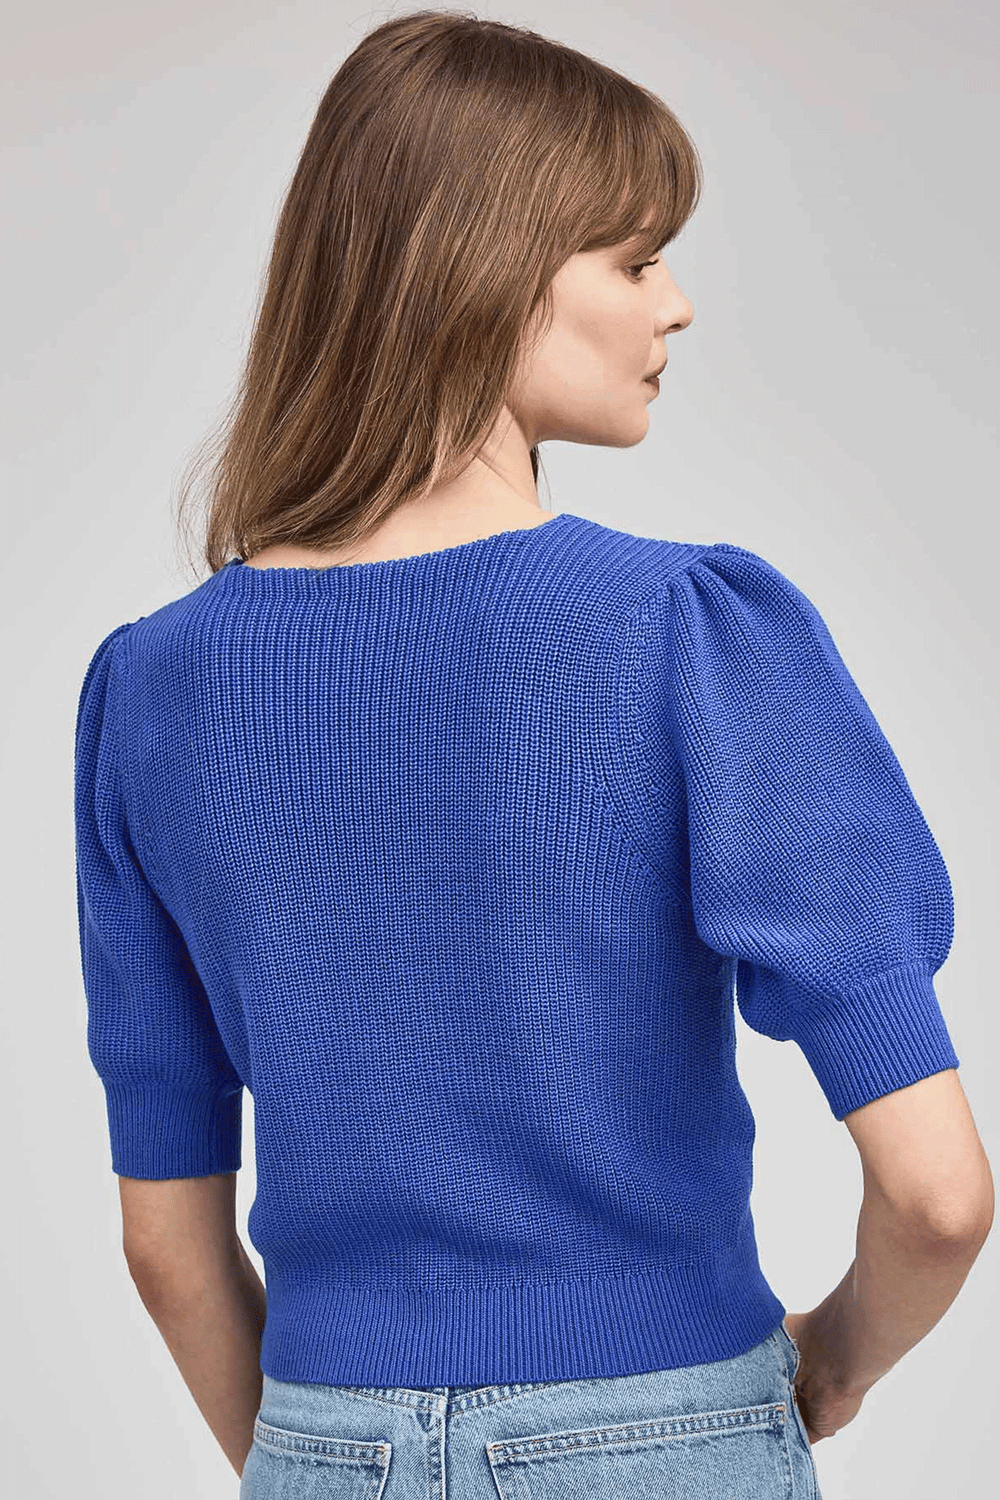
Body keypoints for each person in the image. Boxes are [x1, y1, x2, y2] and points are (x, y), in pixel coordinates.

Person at [73, 10, 992, 1497]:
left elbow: (165, 1243)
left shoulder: (149, 690)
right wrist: (831, 1365)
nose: (677, 306)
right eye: (635, 262)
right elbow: (940, 1197)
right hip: (666, 1434)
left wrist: (323, 1462)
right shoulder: (688, 633)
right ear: (486, 272)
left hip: (321, 1437)